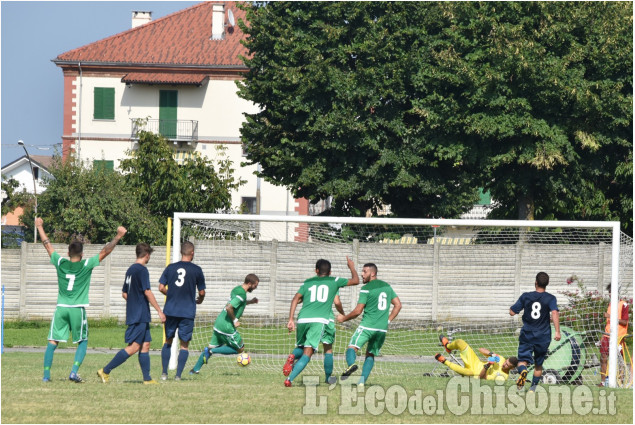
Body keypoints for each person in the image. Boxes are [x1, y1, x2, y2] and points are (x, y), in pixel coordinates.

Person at [35, 217, 126, 383]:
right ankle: (73, 372)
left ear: (68, 253)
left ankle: (46, 376)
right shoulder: (86, 264)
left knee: (52, 341)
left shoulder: (60, 262)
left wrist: (40, 226)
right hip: (77, 308)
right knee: (82, 341)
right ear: (82, 254)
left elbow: (47, 245)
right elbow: (105, 251)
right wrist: (118, 236)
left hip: (61, 308)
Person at [283, 257, 359, 387]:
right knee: (315, 351)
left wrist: (291, 319)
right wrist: (351, 266)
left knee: (301, 348)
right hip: (319, 320)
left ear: (316, 270)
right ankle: (289, 379)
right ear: (330, 272)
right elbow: (356, 281)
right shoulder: (334, 281)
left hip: (302, 319)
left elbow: (295, 299)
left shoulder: (307, 282)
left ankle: (292, 356)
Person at [97, 243, 166, 384]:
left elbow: (124, 293)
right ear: (147, 255)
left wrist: (134, 300)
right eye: (149, 256)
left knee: (145, 344)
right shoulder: (142, 270)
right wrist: (159, 311)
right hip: (140, 314)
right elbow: (147, 291)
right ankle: (105, 370)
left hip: (137, 313)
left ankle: (147, 379)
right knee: (134, 347)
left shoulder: (130, 270)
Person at [336, 263, 401, 387]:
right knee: (370, 354)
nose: (361, 274)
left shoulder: (366, 288)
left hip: (367, 327)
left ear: (372, 273)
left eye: (364, 271)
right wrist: (388, 321)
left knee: (352, 348)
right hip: (381, 330)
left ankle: (351, 365)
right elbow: (398, 305)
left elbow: (358, 311)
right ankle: (361, 383)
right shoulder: (387, 287)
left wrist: (343, 318)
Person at [190, 274, 259, 374]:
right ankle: (211, 352)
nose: (255, 288)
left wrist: (250, 302)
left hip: (219, 323)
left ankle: (194, 370)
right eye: (255, 285)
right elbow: (229, 307)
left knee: (211, 347)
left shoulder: (237, 289)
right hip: (227, 326)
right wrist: (235, 320)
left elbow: (238, 303)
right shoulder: (242, 294)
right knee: (240, 348)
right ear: (249, 283)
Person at [158, 241, 206, 381]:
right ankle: (178, 376)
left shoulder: (171, 268)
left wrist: (170, 294)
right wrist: (200, 300)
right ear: (192, 253)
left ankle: (164, 373)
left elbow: (161, 287)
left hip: (171, 310)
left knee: (168, 341)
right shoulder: (197, 270)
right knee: (184, 345)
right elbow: (202, 292)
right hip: (187, 312)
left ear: (181, 252)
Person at [509, 271, 561, 392]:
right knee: (538, 364)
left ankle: (523, 372)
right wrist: (557, 331)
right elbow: (554, 312)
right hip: (543, 336)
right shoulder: (551, 298)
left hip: (527, 334)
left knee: (522, 361)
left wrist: (512, 310)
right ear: (547, 284)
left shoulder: (526, 296)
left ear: (535, 283)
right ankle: (532, 389)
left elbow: (512, 312)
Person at [435, 336, 518, 380]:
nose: (504, 364)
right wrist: (491, 354)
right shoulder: (501, 359)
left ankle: (444, 361)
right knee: (460, 342)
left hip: (476, 373)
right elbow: (481, 350)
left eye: (507, 365)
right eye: (505, 362)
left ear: (512, 368)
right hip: (475, 362)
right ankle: (448, 346)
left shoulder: (502, 378)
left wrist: (487, 366)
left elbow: (482, 378)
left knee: (467, 373)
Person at [598, 284, 630, 387]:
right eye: (609, 292)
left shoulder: (624, 304)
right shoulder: (611, 304)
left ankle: (620, 381)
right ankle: (603, 382)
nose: (610, 294)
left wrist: (610, 316)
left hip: (618, 337)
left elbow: (624, 322)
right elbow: (609, 323)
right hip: (607, 336)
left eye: (612, 292)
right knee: (603, 357)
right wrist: (603, 336)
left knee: (619, 359)